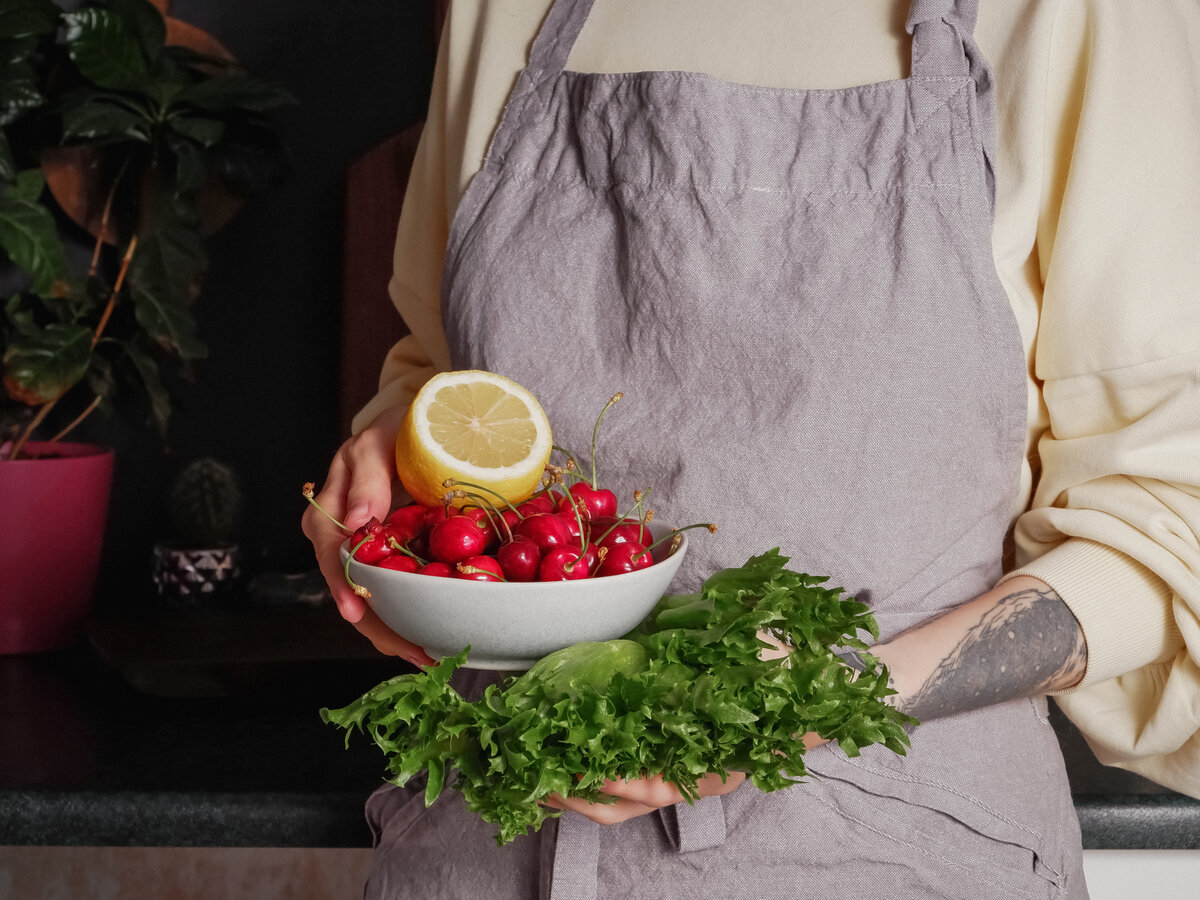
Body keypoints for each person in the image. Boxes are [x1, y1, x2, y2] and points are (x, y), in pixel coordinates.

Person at [302, 1, 1200, 897]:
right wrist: (390, 461)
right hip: (486, 846)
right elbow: (442, 365)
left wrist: (799, 705)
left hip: (891, 853)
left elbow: (1170, 526)